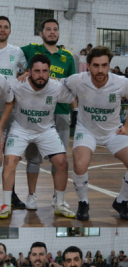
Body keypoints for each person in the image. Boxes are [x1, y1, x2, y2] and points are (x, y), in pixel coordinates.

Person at [61, 46, 128, 221]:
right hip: (86, 130)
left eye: (104, 65)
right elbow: (55, 83)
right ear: (88, 65)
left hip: (113, 131)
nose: (100, 70)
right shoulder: (77, 80)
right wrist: (31, 75)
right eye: (96, 65)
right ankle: (83, 203)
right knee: (80, 164)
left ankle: (121, 201)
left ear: (109, 65)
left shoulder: (121, 82)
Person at [0, 54, 76, 219]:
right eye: (36, 71)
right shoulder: (17, 84)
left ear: (49, 72)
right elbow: (5, 96)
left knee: (62, 162)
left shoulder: (56, 87)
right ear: (29, 71)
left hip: (46, 130)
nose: (41, 75)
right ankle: (5, 204)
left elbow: (75, 92)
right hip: (20, 129)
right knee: (9, 161)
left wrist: (60, 80)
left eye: (44, 71)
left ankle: (60, 203)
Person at [20, 18, 77, 211]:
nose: (52, 32)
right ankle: (31, 196)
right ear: (41, 33)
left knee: (58, 158)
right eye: (48, 29)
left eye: (55, 29)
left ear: (59, 33)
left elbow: (72, 85)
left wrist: (75, 109)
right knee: (33, 158)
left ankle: (57, 198)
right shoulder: (30, 50)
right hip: (35, 113)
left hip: (60, 113)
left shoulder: (68, 56)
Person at [0, 16, 27, 210]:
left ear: (10, 31)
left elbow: (28, 70)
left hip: (10, 107)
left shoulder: (17, 52)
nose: (2, 29)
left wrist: (23, 75)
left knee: (11, 154)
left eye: (5, 27)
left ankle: (11, 195)